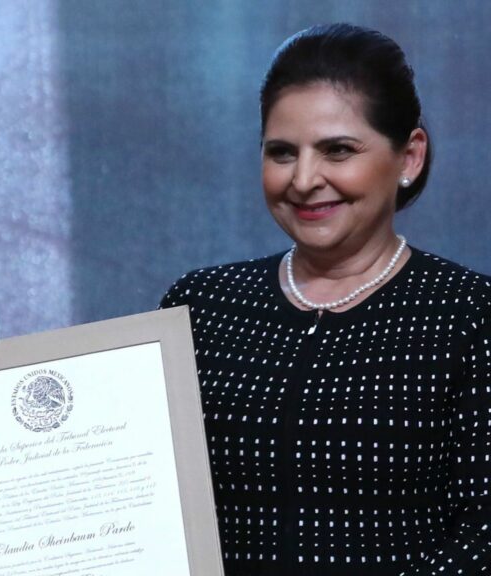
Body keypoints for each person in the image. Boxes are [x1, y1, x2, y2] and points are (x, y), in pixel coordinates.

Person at [160, 24, 490, 576]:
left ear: (408, 157)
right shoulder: (199, 306)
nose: (305, 179)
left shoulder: (469, 316)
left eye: (338, 150)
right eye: (282, 153)